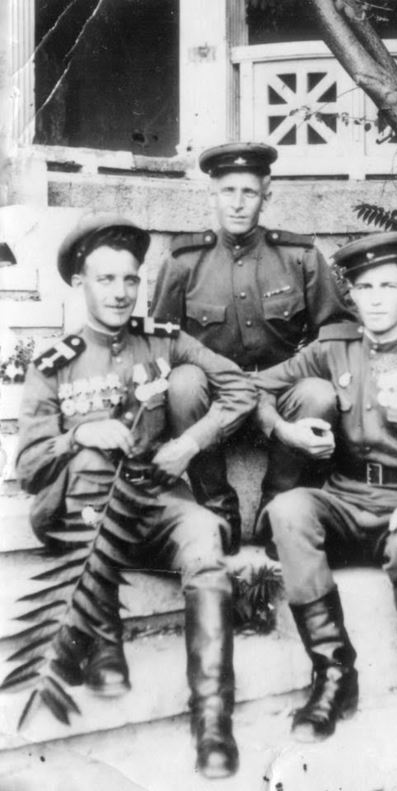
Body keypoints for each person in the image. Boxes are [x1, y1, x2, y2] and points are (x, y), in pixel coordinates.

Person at [16, 215, 258, 778]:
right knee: (91, 459)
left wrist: (190, 442)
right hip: (79, 515)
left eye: (130, 279)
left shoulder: (163, 340)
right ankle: (103, 639)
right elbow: (28, 468)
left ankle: (212, 719)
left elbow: (239, 387)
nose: (121, 292)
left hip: (152, 501)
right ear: (80, 283)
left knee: (204, 534)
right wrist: (78, 435)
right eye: (106, 280)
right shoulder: (55, 364)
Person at [254, 231, 397, 742]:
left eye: (388, 286)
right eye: (364, 288)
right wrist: (282, 428)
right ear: (351, 295)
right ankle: (334, 673)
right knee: (289, 511)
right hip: (343, 499)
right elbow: (256, 386)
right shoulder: (335, 348)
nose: (375, 299)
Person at [150, 142, 355, 550]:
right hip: (214, 402)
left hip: (280, 396)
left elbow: (334, 331)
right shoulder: (184, 260)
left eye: (249, 192)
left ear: (267, 194)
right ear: (212, 194)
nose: (238, 203)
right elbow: (160, 341)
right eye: (228, 191)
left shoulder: (299, 256)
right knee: (183, 382)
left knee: (318, 393)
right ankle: (217, 510)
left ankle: (277, 512)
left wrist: (299, 373)